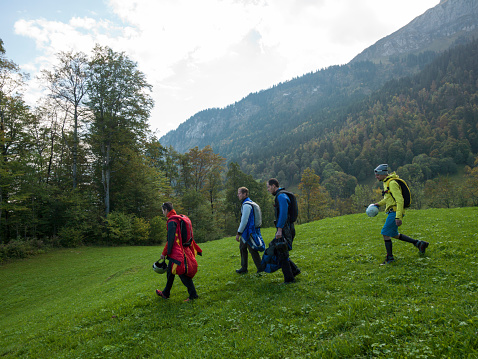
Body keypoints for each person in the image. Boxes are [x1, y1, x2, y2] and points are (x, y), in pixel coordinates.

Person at [373, 164, 429, 265]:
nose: (376, 177)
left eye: (377, 175)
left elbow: (399, 200)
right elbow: (388, 198)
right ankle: (419, 243)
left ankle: (390, 258)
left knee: (385, 233)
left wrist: (398, 217)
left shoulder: (392, 183)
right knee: (394, 234)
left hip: (395, 212)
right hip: (393, 211)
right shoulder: (386, 183)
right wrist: (378, 204)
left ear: (382, 174)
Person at [156, 202, 200, 301]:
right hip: (180, 250)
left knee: (182, 273)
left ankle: (193, 295)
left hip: (177, 252)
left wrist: (164, 253)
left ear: (166, 210)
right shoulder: (178, 218)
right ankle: (165, 293)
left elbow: (171, 239)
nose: (162, 212)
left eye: (162, 210)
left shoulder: (172, 221)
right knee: (170, 272)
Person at [266, 178, 301, 283]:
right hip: (287, 228)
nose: (268, 190)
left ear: (273, 186)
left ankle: (289, 279)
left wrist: (280, 229)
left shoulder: (281, 196)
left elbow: (283, 213)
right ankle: (294, 270)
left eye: (268, 187)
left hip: (286, 229)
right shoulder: (281, 195)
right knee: (281, 251)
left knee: (282, 252)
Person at [235, 187, 264, 274]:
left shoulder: (246, 205)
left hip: (248, 232)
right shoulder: (250, 203)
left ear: (244, 194)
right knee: (243, 247)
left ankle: (260, 268)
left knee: (252, 249)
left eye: (239, 193)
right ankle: (244, 267)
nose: (238, 195)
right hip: (249, 231)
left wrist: (238, 233)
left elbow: (244, 221)